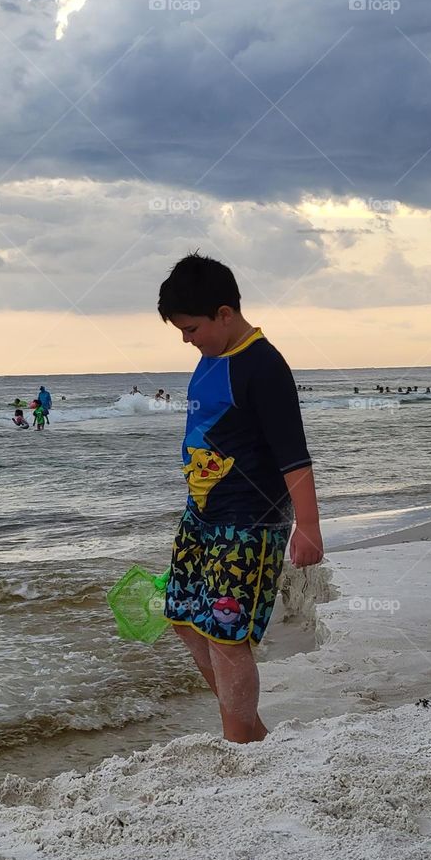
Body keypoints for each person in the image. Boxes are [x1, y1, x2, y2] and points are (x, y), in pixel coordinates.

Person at [157, 252, 324, 746]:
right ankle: (251, 732)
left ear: (224, 314)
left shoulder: (264, 366)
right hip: (202, 516)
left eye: (192, 328)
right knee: (186, 620)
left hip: (250, 523)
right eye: (182, 332)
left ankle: (238, 742)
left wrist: (308, 527)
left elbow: (293, 454)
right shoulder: (211, 359)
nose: (188, 339)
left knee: (228, 635)